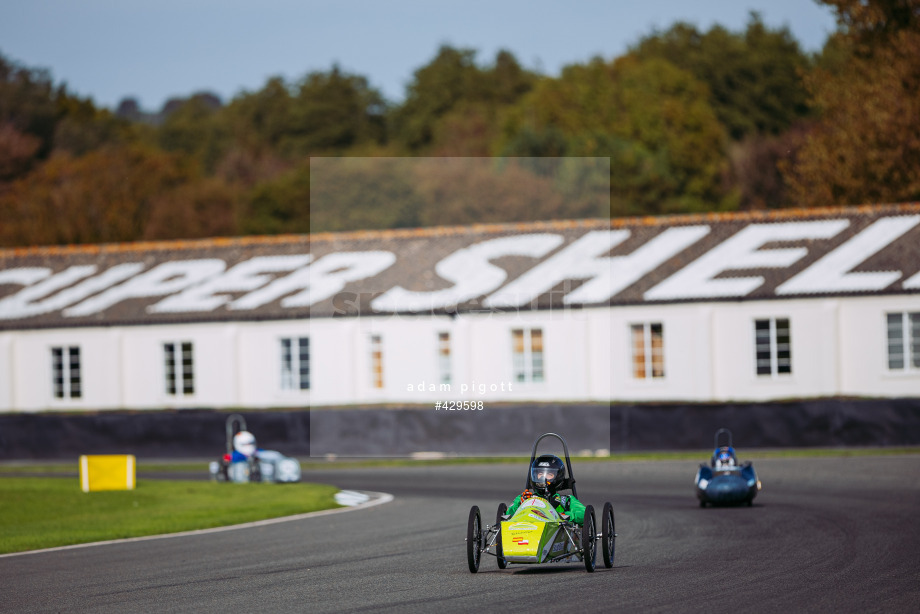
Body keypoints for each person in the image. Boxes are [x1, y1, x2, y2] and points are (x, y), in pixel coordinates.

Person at [505, 454, 586, 525]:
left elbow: (584, 515)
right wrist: (521, 505)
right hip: (525, 532)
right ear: (534, 475)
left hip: (557, 537)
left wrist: (561, 515)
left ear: (558, 477)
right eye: (540, 474)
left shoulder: (566, 500)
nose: (544, 478)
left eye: (549, 474)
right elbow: (507, 515)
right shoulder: (524, 498)